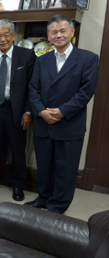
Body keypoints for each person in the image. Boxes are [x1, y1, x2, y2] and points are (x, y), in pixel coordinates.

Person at [25, 14, 99, 214]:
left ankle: (58, 206)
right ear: (48, 36)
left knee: (65, 170)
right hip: (44, 123)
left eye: (63, 30)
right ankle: (43, 198)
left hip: (69, 125)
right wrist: (40, 111)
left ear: (72, 32)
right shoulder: (42, 60)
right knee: (44, 166)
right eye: (54, 32)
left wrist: (62, 112)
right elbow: (33, 89)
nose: (59, 35)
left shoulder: (88, 58)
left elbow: (86, 92)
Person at [0, 19, 37, 202]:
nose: (2, 39)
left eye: (6, 35)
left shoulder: (27, 55)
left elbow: (32, 86)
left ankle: (18, 185)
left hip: (16, 108)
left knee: (17, 148)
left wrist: (28, 111)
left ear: (13, 36)